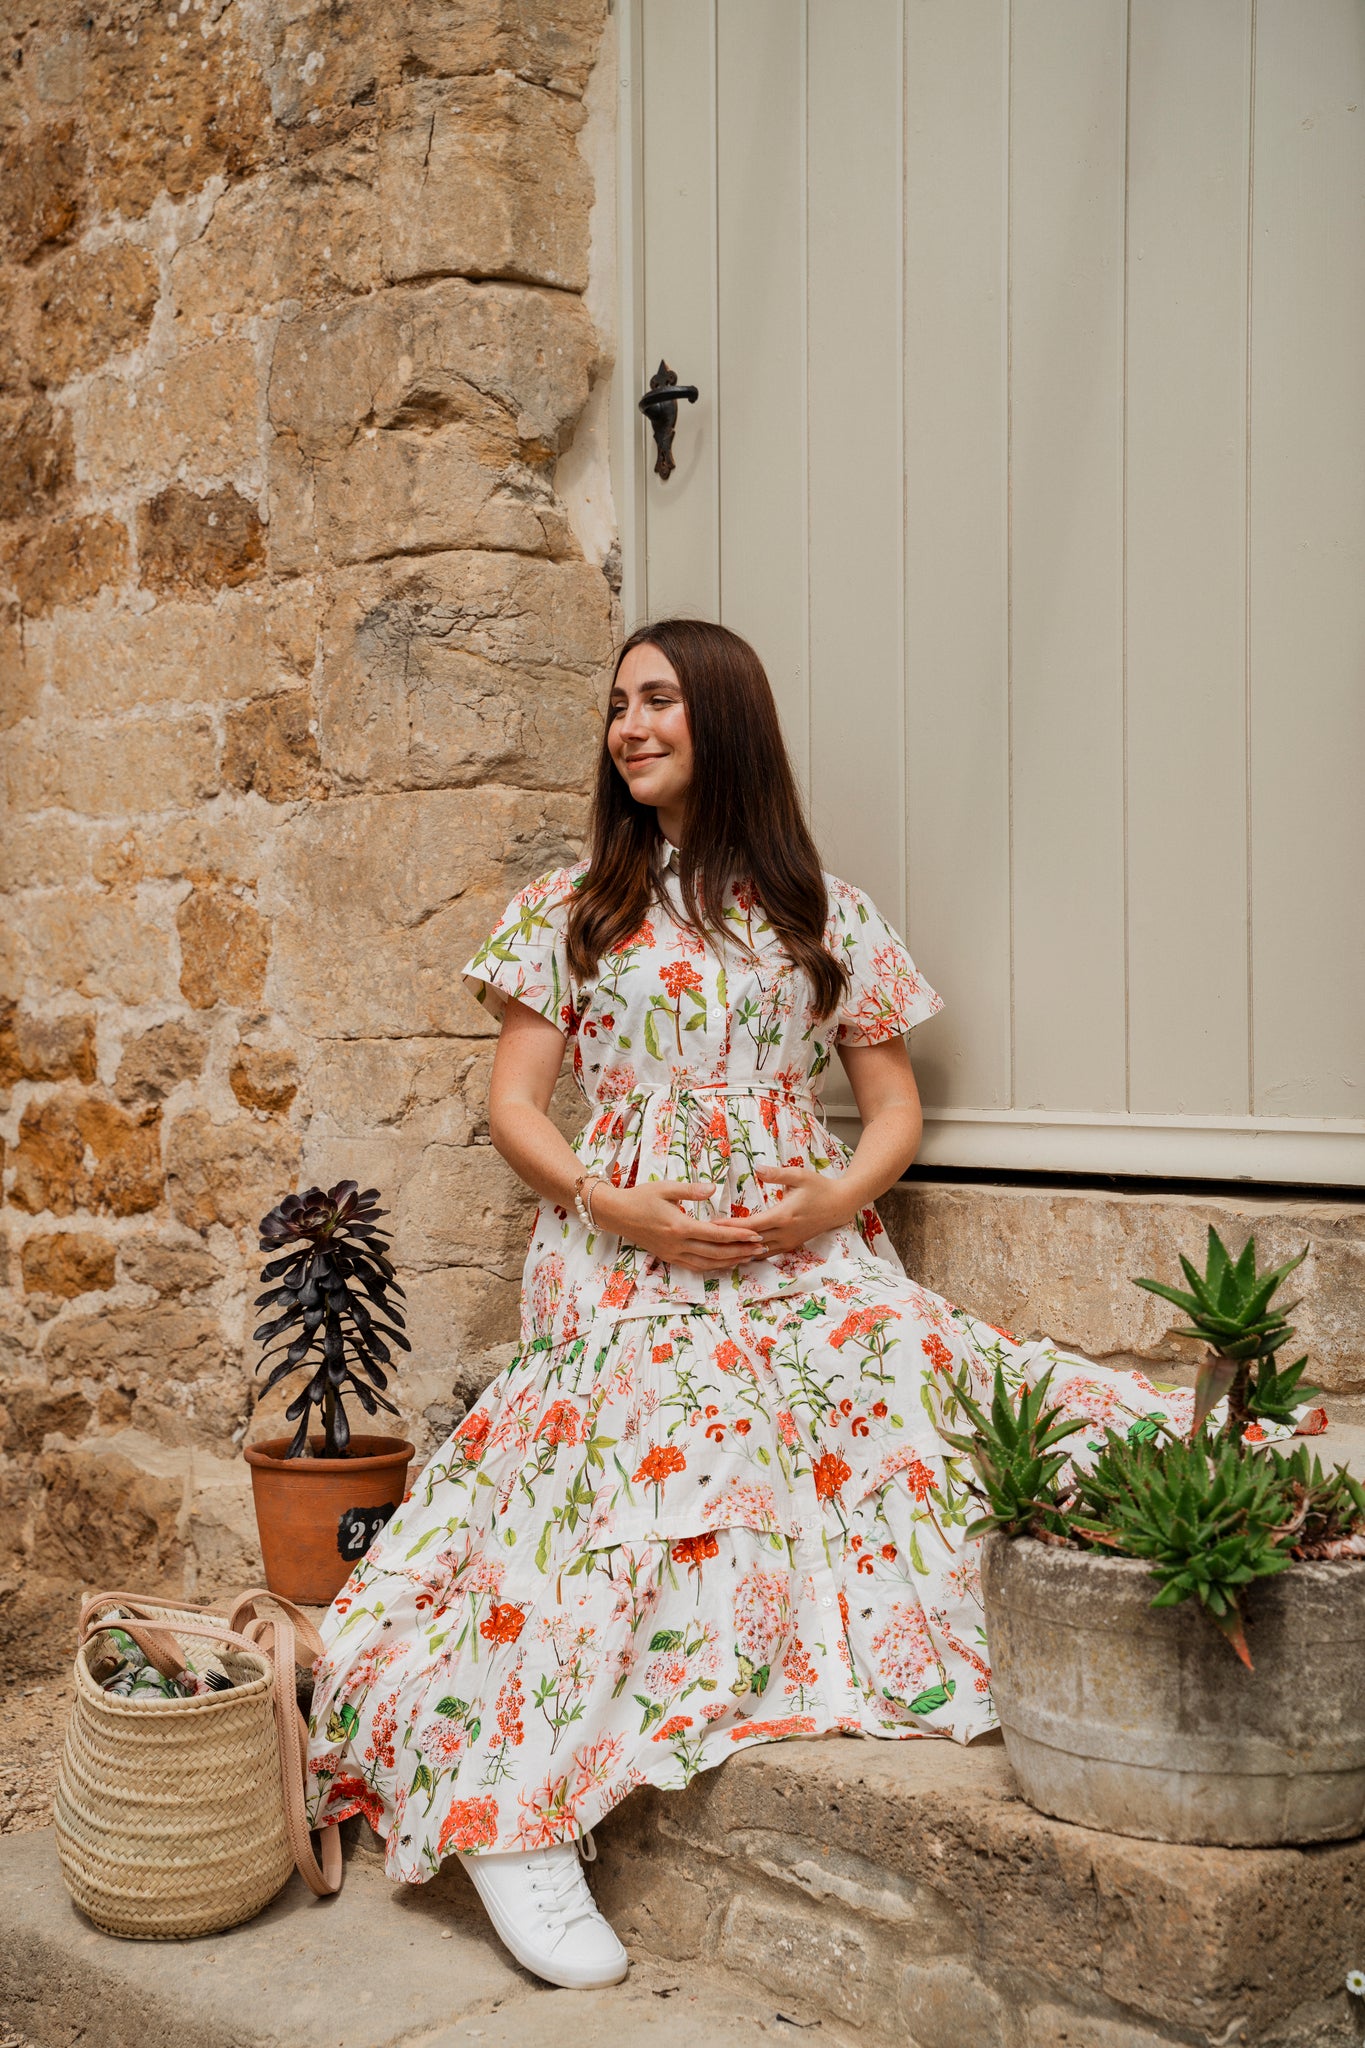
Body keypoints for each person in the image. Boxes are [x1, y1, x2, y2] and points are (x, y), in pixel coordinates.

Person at [304, 618, 1199, 1986]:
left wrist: (836, 1202)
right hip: (626, 1256)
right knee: (645, 1469)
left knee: (919, 1400)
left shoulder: (820, 908)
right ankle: (511, 1795)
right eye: (616, 705)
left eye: (657, 699)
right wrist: (615, 1204)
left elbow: (891, 1103)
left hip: (804, 1254)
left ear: (723, 719)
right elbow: (513, 1107)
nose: (628, 724)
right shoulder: (570, 910)